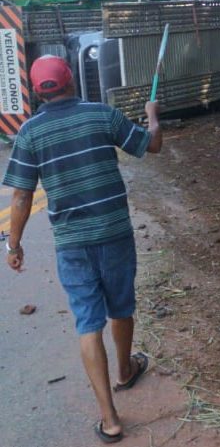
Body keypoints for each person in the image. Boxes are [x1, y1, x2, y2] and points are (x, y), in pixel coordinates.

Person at [3, 55, 163, 444]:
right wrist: (153, 114)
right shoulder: (101, 115)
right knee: (121, 307)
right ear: (71, 81)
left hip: (71, 243)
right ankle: (125, 370)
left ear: (37, 91)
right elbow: (151, 145)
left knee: (87, 323)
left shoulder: (29, 133)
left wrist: (15, 242)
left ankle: (110, 420)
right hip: (113, 233)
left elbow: (22, 197)